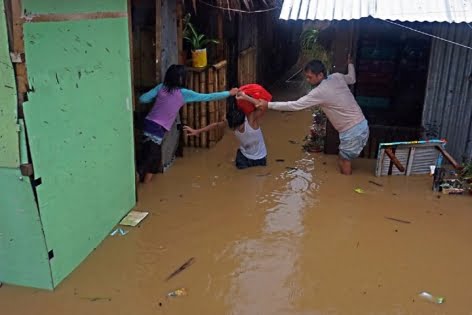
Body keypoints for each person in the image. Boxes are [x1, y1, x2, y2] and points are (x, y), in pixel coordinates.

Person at [257, 55, 368, 175]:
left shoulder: (319, 92)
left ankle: (346, 186)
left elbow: (295, 105)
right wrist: (350, 64)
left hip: (352, 132)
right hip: (362, 124)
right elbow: (352, 79)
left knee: (344, 160)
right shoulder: (337, 77)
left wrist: (268, 105)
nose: (308, 80)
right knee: (345, 157)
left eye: (310, 77)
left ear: (320, 75)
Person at [137, 64, 238, 183]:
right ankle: (144, 188)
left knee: (147, 158)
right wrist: (229, 93)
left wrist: (156, 99)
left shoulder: (161, 87)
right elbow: (208, 97)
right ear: (182, 79)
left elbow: (142, 99)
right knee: (151, 163)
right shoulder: (184, 93)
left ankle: (144, 188)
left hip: (147, 124)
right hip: (157, 131)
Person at [184, 93, 268, 169]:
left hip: (259, 158)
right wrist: (197, 131)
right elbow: (216, 125)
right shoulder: (231, 121)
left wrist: (246, 97)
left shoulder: (251, 120)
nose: (236, 130)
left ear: (243, 121)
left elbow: (263, 105)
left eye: (238, 127)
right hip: (243, 155)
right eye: (234, 129)